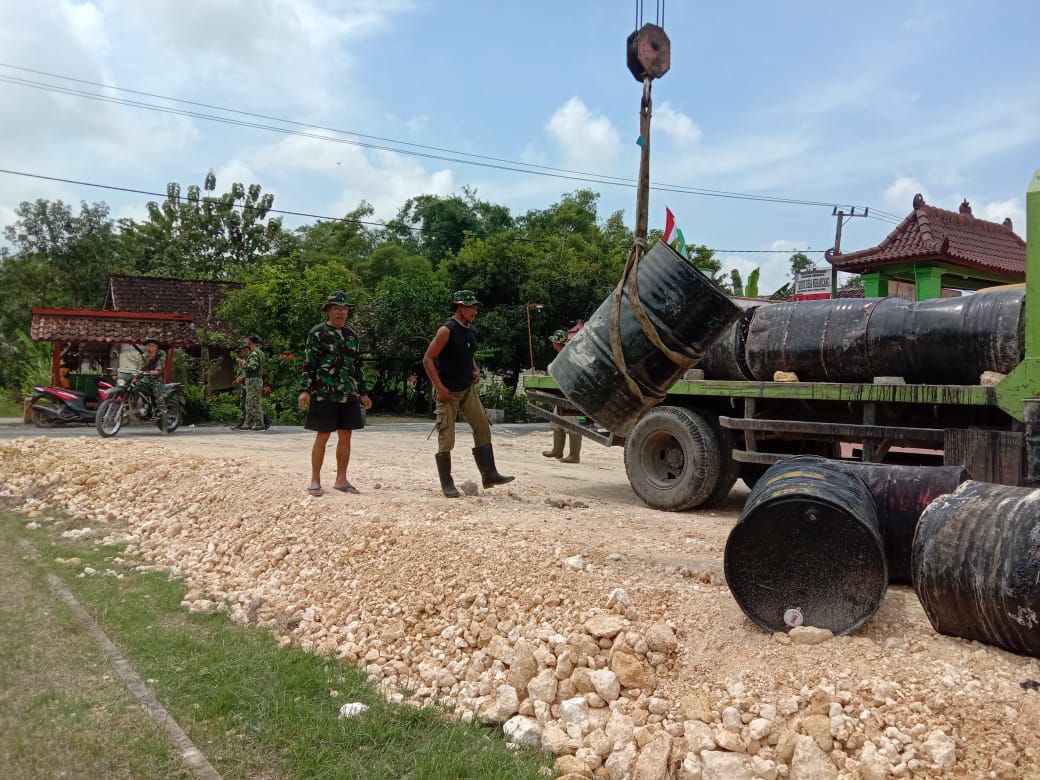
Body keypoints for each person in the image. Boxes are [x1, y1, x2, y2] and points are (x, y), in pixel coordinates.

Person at [422, 289, 513, 498]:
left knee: (482, 426)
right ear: (460, 307)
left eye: (475, 307)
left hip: (467, 389)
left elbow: (468, 354)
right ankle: (447, 483)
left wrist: (475, 369)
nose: (475, 311)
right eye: (471, 307)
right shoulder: (446, 330)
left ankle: (489, 474)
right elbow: (427, 359)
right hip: (448, 391)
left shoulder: (471, 331)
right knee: (447, 436)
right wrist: (440, 387)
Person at [298, 290, 372, 497]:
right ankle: (315, 479)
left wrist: (363, 393)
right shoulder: (317, 333)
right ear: (329, 310)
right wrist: (305, 390)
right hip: (324, 392)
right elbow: (308, 364)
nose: (341, 312)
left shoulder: (351, 335)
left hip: (348, 393)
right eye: (336, 308)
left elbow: (358, 367)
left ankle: (341, 479)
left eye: (344, 308)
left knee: (346, 434)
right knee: (322, 435)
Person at [542, 328, 582, 464]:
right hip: (562, 393)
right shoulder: (563, 354)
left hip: (569, 393)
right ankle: (557, 450)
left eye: (554, 341)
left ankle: (574, 455)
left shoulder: (567, 356)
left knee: (571, 422)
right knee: (556, 420)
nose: (553, 343)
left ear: (557, 343)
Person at [240, 336, 266, 431]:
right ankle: (249, 423)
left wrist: (243, 363)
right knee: (250, 401)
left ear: (250, 342)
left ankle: (259, 423)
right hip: (255, 379)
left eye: (247, 342)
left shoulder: (254, 353)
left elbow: (252, 367)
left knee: (254, 402)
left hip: (253, 380)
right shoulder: (260, 352)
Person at [138, 337, 167, 417]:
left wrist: (156, 371)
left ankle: (163, 412)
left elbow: (160, 365)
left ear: (156, 346)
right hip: (146, 378)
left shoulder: (161, 354)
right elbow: (143, 366)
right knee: (136, 386)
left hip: (158, 379)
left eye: (153, 345)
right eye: (149, 345)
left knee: (157, 393)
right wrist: (139, 371)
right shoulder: (144, 355)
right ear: (147, 346)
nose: (151, 347)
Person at [230, 339, 249, 430]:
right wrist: (240, 377)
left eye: (244, 348)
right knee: (243, 404)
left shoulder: (251, 357)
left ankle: (249, 422)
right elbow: (245, 372)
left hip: (250, 384)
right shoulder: (246, 358)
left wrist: (242, 377)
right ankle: (242, 422)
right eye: (241, 349)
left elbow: (252, 371)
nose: (242, 350)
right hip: (245, 385)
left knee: (250, 404)